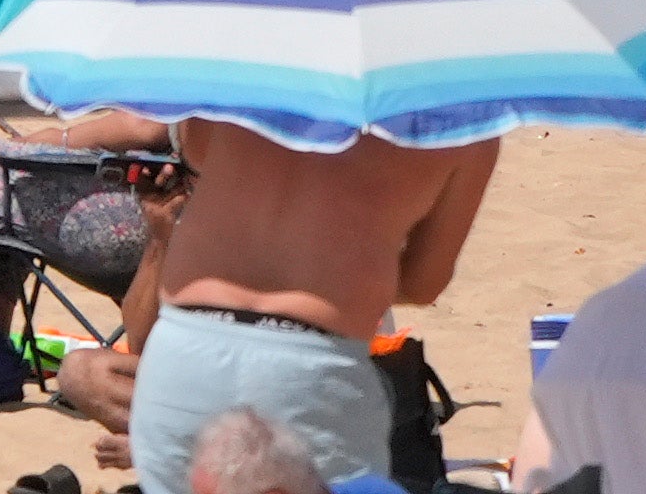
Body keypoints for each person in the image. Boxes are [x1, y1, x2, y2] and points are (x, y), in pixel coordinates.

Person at [119, 113, 501, 494]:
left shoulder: (248, 87)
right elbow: (422, 283)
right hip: (312, 365)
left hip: (187, 346)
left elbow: (197, 148)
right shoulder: (463, 126)